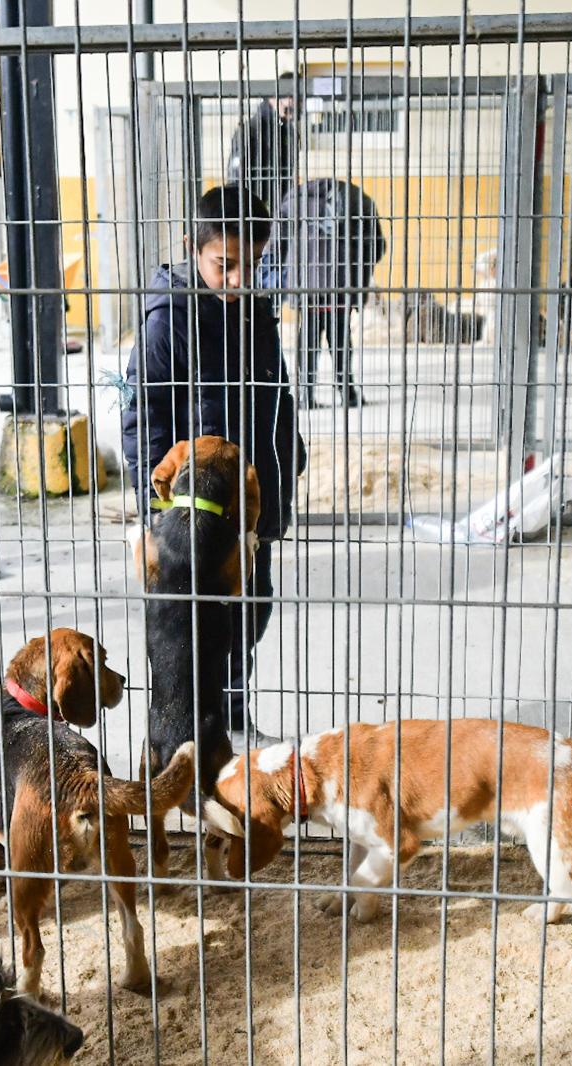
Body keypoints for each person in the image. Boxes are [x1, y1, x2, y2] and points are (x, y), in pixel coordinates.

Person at [122, 184, 307, 737]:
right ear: (190, 246)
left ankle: (231, 707)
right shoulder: (167, 318)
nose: (238, 278)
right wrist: (151, 501)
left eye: (251, 264)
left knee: (253, 605)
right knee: (194, 618)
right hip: (194, 503)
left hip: (251, 491)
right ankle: (196, 727)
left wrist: (287, 451)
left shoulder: (254, 306)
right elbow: (141, 414)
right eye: (222, 264)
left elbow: (276, 388)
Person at [272, 178, 388, 409]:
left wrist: (288, 270)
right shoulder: (359, 200)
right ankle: (348, 393)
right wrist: (359, 266)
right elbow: (377, 245)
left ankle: (305, 394)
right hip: (341, 284)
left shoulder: (293, 201)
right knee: (341, 338)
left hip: (307, 286)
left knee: (309, 339)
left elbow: (276, 243)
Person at [227, 73, 301, 216]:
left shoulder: (288, 131)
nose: (297, 103)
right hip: (251, 211)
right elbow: (235, 178)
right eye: (291, 96)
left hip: (277, 209)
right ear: (274, 97)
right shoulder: (252, 130)